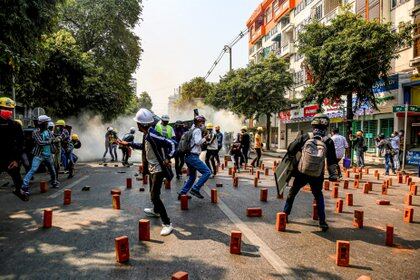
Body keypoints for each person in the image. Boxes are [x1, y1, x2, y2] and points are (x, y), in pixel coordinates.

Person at [283, 113, 338, 232]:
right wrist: (334, 175)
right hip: (317, 174)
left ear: (312, 124)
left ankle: (285, 215)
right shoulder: (328, 141)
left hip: (301, 172)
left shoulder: (305, 136)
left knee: (293, 192)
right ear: (327, 125)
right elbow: (332, 160)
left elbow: (291, 149)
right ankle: (322, 222)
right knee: (318, 195)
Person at [127, 108, 175, 236]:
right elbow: (144, 147)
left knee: (154, 196)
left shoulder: (152, 133)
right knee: (152, 192)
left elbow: (171, 143)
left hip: (159, 169)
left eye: (137, 122)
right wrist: (128, 143)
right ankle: (156, 210)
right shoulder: (146, 134)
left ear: (140, 124)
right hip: (152, 169)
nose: (136, 124)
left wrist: (168, 158)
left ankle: (167, 223)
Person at [22, 115, 59, 194]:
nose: (47, 124)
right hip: (39, 155)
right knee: (33, 170)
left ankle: (54, 182)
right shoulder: (35, 132)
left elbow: (53, 139)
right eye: (46, 123)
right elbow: (40, 143)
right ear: (42, 123)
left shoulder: (48, 131)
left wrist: (53, 143)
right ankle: (24, 187)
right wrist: (50, 141)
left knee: (52, 170)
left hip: (48, 155)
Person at [0, 97, 28, 201]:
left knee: (17, 178)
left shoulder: (15, 125)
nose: (8, 111)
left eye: (10, 109)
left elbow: (20, 145)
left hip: (10, 159)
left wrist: (16, 160)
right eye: (4, 108)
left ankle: (18, 190)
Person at [178, 115, 212, 200]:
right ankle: (195, 188)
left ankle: (182, 193)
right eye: (203, 123)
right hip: (193, 156)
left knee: (192, 176)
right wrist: (205, 138)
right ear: (200, 123)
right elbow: (198, 142)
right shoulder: (197, 130)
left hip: (189, 156)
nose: (204, 125)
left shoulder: (192, 129)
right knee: (207, 172)